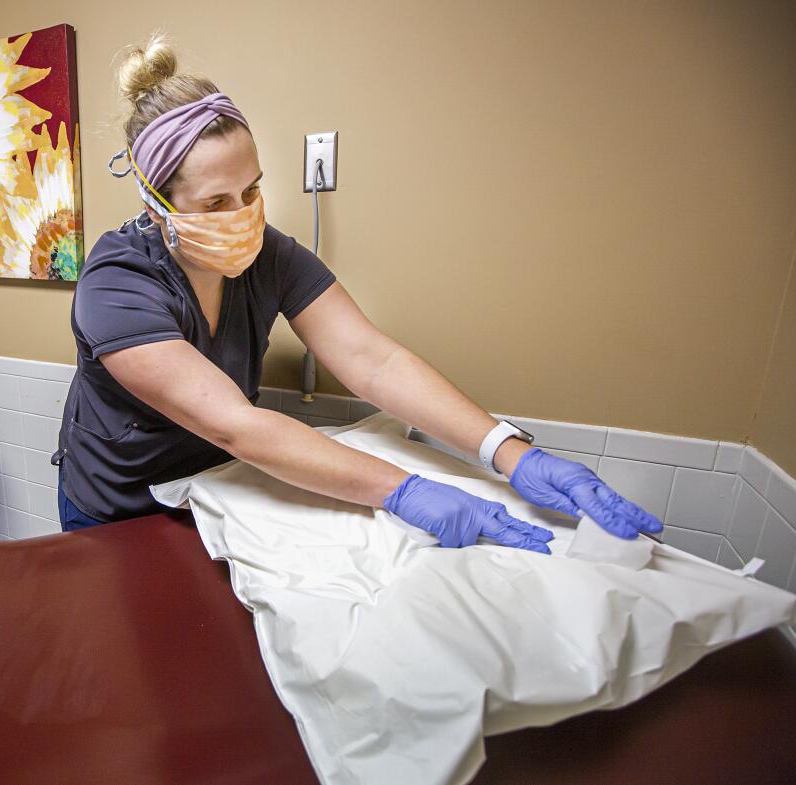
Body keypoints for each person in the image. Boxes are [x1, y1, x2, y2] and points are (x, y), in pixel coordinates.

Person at [52, 34, 662, 550]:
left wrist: (509, 451)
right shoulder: (116, 286)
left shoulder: (270, 255)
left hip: (214, 497)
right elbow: (236, 424)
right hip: (116, 513)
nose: (243, 216)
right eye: (215, 203)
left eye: (251, 190)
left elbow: (374, 360)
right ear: (157, 207)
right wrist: (403, 490)